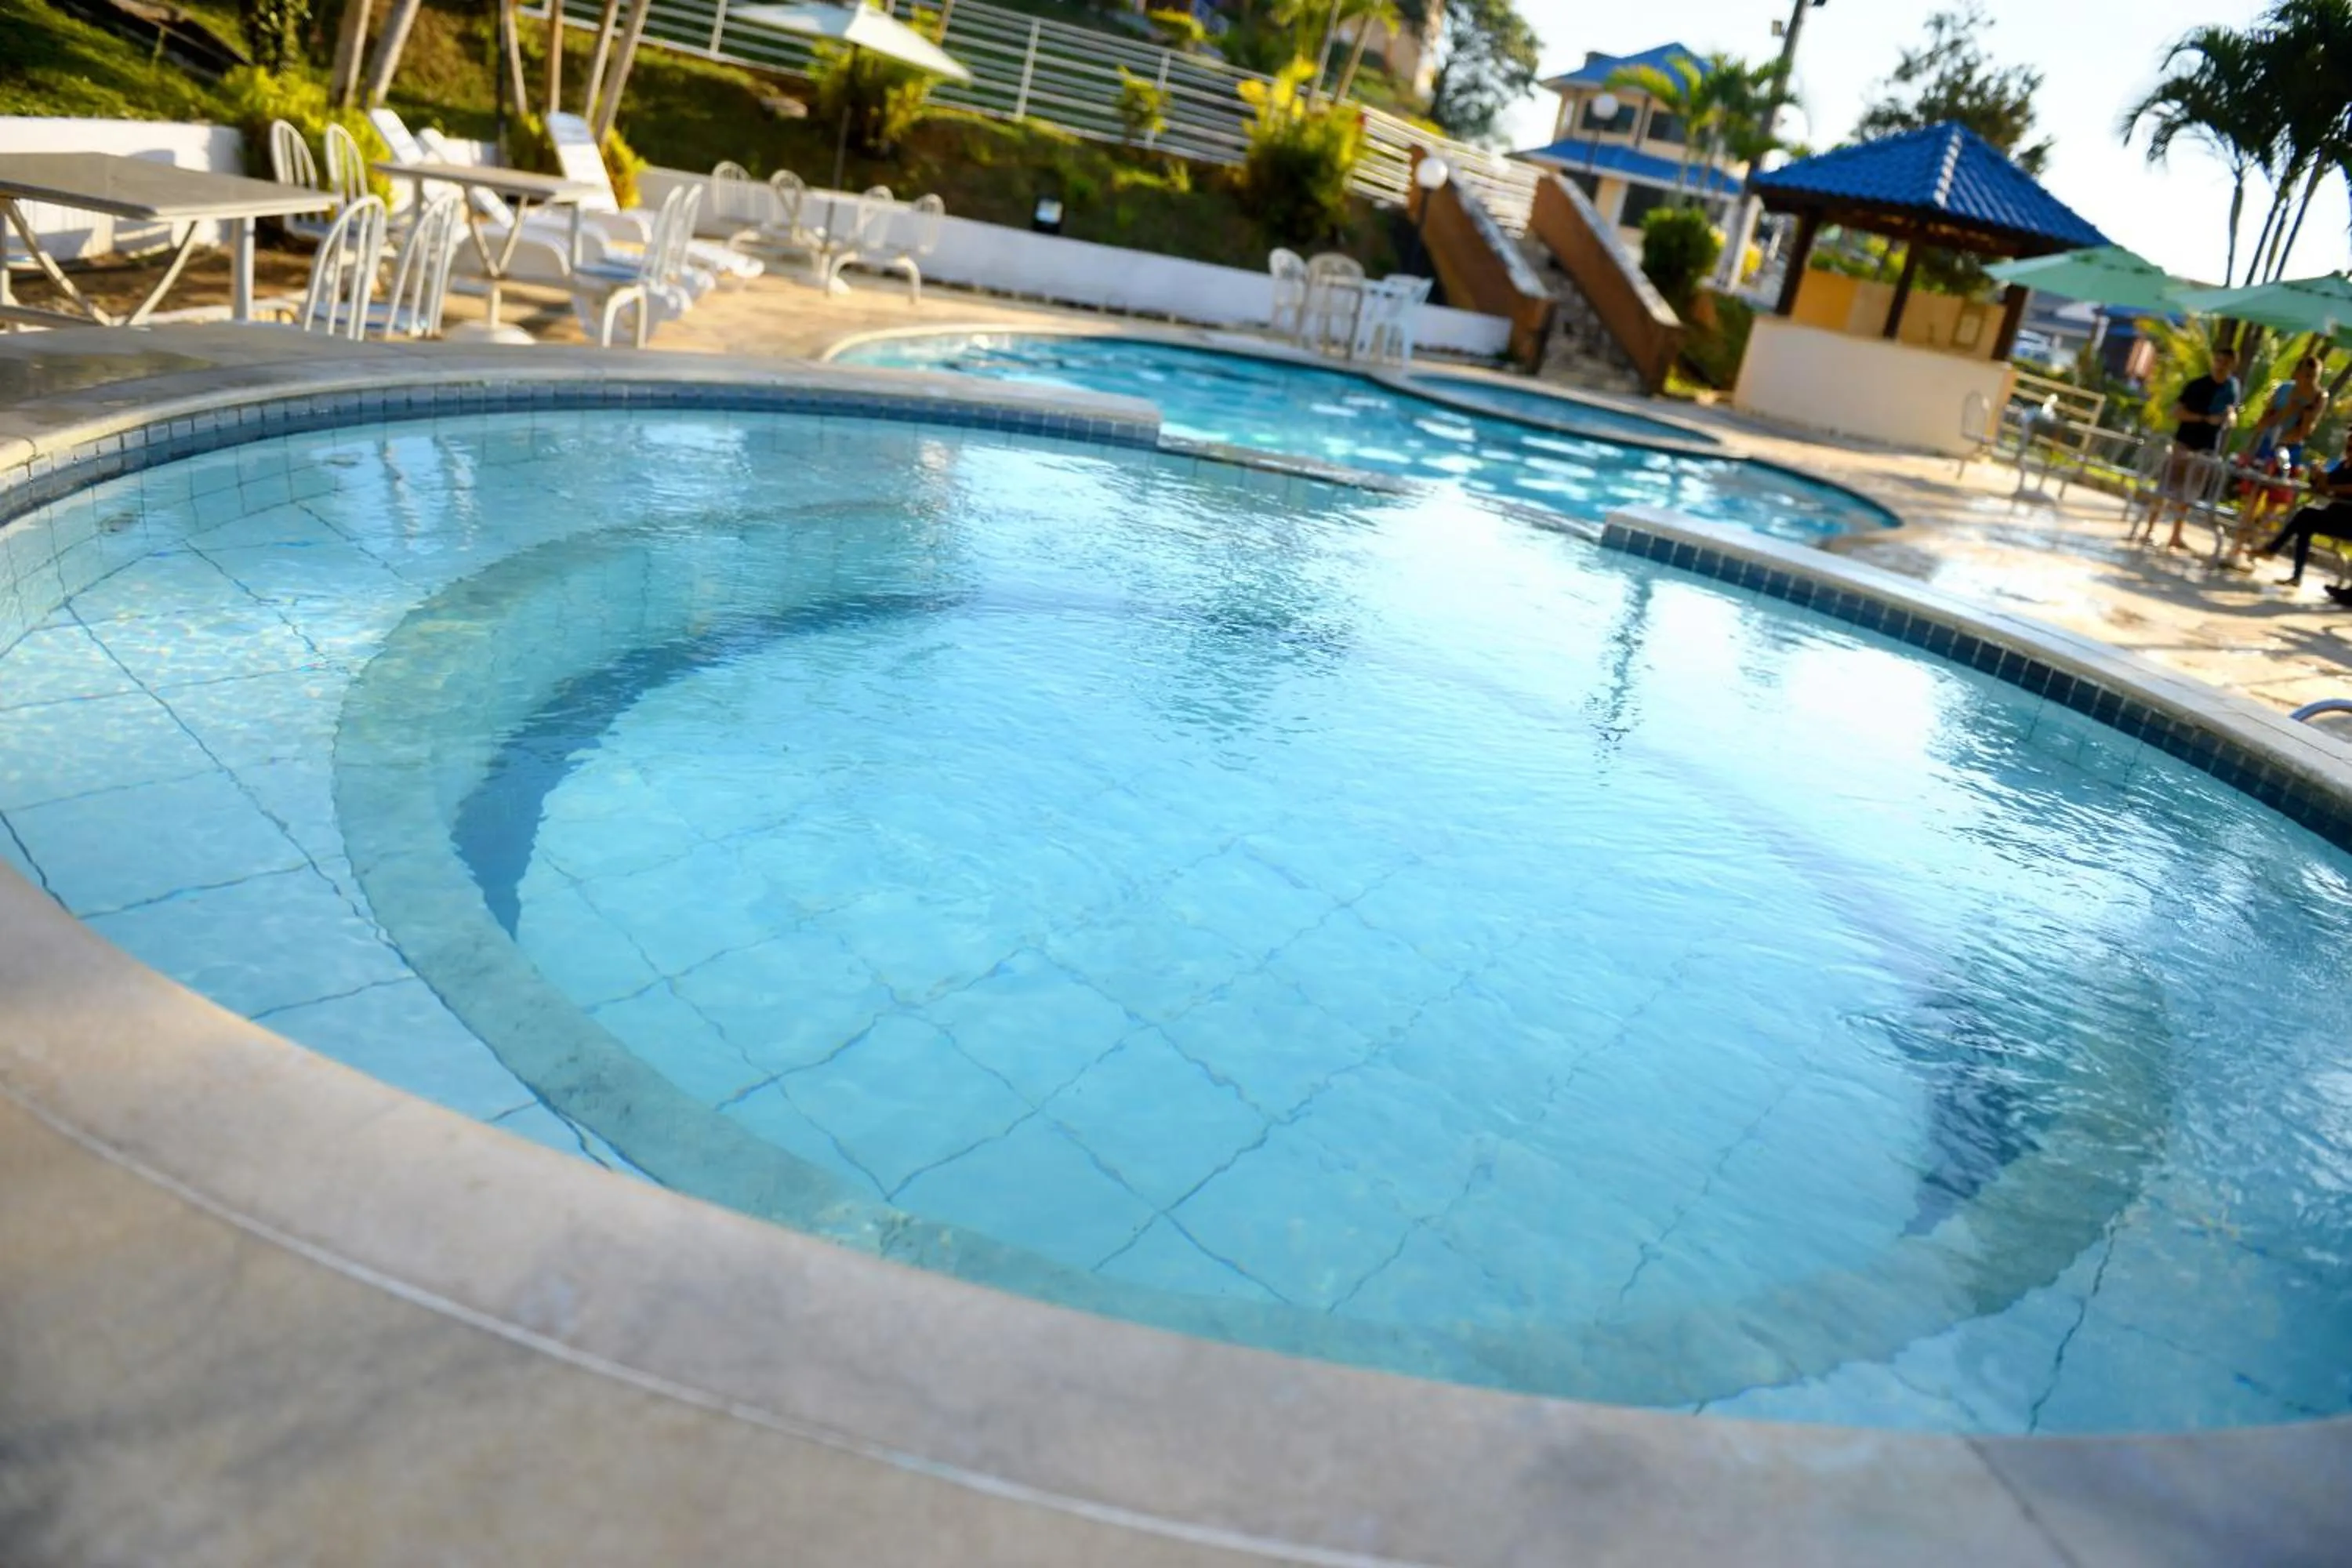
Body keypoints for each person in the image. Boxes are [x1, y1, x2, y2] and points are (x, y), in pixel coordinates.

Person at [2143, 346, 2241, 550]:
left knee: (2189, 494)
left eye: (2226, 363)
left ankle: (2176, 535)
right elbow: (2176, 412)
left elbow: (2232, 414)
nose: (2221, 366)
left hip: (2207, 449)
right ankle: (2149, 529)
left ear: (2233, 365)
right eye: (2218, 361)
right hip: (2185, 443)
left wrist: (2228, 418)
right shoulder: (2197, 386)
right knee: (2166, 486)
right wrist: (2204, 419)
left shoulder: (2232, 389)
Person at [2256, 427, 2352, 588]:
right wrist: (2317, 475)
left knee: (2305, 516)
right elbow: (2325, 486)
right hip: (2335, 515)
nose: (2349, 451)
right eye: (2348, 447)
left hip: (2347, 521)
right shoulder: (2344, 465)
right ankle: (2294, 574)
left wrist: (2331, 487)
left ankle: (2273, 549)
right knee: (2304, 524)